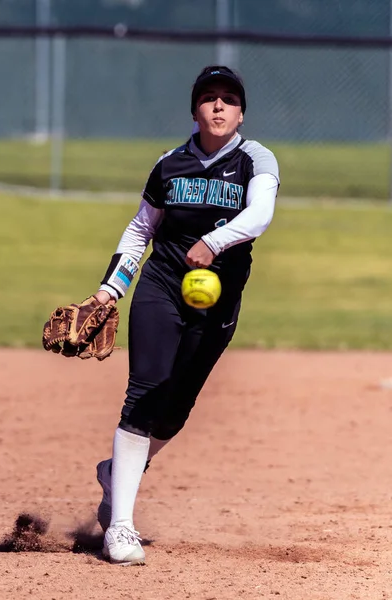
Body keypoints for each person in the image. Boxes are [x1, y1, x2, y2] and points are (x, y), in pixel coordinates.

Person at [94, 65, 280, 565]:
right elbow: (140, 230)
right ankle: (122, 526)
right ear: (195, 109)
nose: (219, 107)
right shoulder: (170, 164)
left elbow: (259, 215)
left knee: (174, 414)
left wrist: (213, 242)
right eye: (209, 98)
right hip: (161, 287)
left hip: (219, 299)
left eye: (229, 99)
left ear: (241, 111)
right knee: (145, 391)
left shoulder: (254, 160)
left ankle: (117, 474)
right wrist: (111, 290)